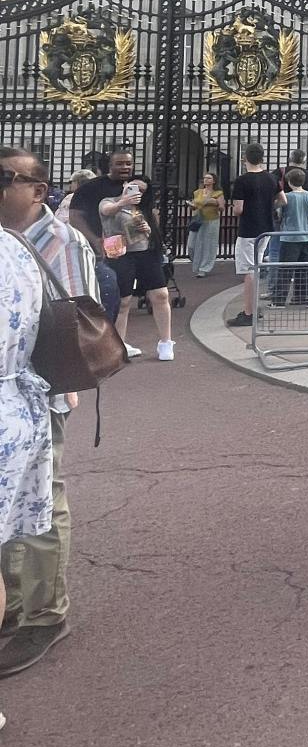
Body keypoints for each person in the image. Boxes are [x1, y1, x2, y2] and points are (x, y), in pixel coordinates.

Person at [0, 148, 97, 679]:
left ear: (37, 190)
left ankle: (43, 612)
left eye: (4, 179)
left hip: (40, 389)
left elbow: (77, 313)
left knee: (43, 495)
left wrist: (65, 383)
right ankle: (9, 601)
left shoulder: (61, 240)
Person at [0, 229, 52, 732]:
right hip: (19, 401)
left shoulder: (30, 242)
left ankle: (43, 610)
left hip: (17, 399)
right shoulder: (16, 244)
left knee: (45, 516)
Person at [69, 150, 173, 361]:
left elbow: (148, 211)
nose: (125, 167)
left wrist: (150, 228)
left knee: (160, 294)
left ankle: (166, 342)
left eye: (128, 163)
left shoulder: (139, 185)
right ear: (109, 165)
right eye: (120, 163)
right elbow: (79, 215)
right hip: (116, 249)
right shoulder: (96, 189)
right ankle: (118, 345)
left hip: (145, 247)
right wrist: (94, 240)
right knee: (123, 300)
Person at [228, 143, 280, 328]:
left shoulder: (242, 181)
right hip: (266, 227)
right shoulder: (272, 178)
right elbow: (283, 200)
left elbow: (238, 209)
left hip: (248, 229)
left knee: (248, 271)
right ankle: (253, 308)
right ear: (262, 158)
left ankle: (248, 312)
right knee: (256, 268)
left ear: (245, 159)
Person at [271, 168, 308, 307]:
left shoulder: (287, 197)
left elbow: (280, 216)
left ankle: (279, 300)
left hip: (289, 237)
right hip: (307, 236)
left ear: (289, 181)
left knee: (285, 270)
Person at [187, 172, 225, 277]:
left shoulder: (218, 193)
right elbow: (194, 205)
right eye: (205, 178)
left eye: (209, 178)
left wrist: (215, 202)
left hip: (211, 220)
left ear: (214, 181)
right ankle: (196, 263)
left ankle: (204, 268)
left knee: (208, 245)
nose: (206, 180)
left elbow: (222, 207)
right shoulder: (197, 192)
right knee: (192, 245)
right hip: (198, 220)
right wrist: (192, 206)